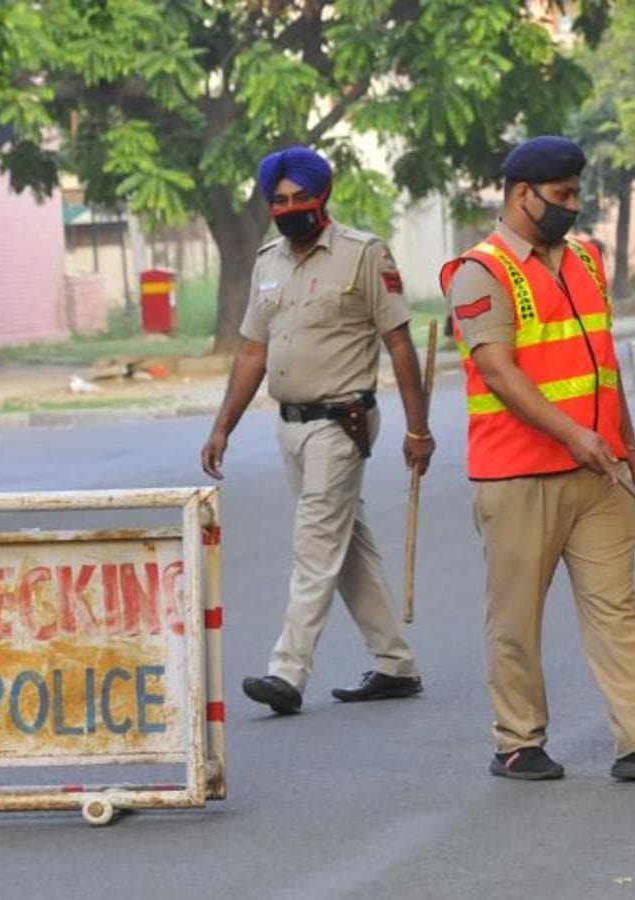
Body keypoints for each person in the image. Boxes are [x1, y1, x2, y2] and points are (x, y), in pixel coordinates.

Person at [441, 135, 635, 781]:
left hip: (598, 471)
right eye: (561, 196)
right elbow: (500, 374)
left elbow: (603, 364)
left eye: (576, 194)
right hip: (518, 475)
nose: (573, 207)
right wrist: (572, 435)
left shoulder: (586, 259)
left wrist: (626, 441)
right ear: (521, 194)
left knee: (617, 609)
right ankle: (518, 742)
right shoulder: (478, 272)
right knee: (515, 619)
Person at [202, 146, 430, 715]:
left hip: (342, 423)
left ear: (321, 196)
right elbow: (253, 350)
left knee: (313, 546)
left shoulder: (363, 255)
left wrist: (418, 429)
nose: (290, 207)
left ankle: (289, 671)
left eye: (300, 197)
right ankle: (394, 663)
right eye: (279, 200)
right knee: (345, 545)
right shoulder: (268, 261)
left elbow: (399, 343)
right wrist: (222, 425)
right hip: (291, 427)